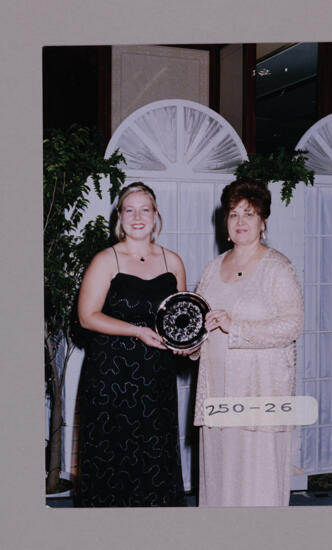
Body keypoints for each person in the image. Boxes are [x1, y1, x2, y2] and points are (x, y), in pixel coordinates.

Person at [192, 179, 304, 506]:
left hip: (260, 391)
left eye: (249, 213)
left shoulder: (277, 267)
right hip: (217, 391)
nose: (240, 221)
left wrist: (235, 327)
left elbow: (292, 324)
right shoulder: (212, 269)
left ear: (263, 222)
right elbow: (199, 324)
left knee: (258, 481)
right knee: (220, 477)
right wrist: (188, 343)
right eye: (233, 214)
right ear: (226, 223)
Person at [74, 182, 186, 507]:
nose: (138, 217)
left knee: (154, 459)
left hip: (156, 379)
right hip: (111, 378)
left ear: (156, 216)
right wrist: (136, 331)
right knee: (112, 461)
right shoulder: (106, 260)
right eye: (130, 210)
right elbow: (87, 317)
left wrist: (186, 343)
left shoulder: (173, 262)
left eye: (145, 209)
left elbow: (177, 318)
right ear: (120, 217)